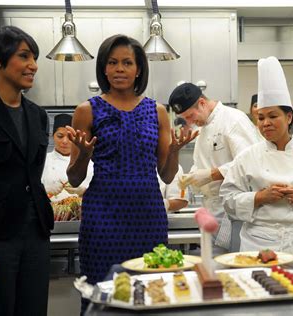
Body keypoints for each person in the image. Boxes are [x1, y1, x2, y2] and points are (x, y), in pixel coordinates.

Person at [66, 34, 196, 305]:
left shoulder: (157, 111)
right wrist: (84, 156)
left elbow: (167, 175)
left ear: (139, 70)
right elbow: (74, 177)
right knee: (103, 290)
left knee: (150, 289)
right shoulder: (86, 111)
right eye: (112, 63)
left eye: (127, 63)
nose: (119, 69)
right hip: (103, 215)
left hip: (147, 214)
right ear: (103, 67)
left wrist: (174, 151)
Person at [220, 56, 293, 253]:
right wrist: (259, 197)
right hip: (258, 243)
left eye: (273, 116)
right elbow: (228, 200)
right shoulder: (246, 158)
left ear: (289, 117)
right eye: (261, 117)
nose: (266, 123)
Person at [0, 25, 53, 316]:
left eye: (34, 58)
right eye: (24, 56)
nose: (33, 65)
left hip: (36, 231)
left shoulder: (38, 116)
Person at [170, 83, 261, 253]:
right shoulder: (203, 129)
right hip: (212, 211)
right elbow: (202, 164)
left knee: (232, 264)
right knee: (214, 264)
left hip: (233, 212)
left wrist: (211, 174)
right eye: (185, 118)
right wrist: (192, 177)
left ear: (202, 103)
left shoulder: (233, 119)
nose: (190, 122)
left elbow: (251, 162)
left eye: (190, 116)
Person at [42, 114, 94, 202]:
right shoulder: (43, 161)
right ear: (52, 136)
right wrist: (44, 190)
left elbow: (102, 193)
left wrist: (85, 191)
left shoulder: (87, 163)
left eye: (69, 137)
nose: (65, 141)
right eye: (60, 136)